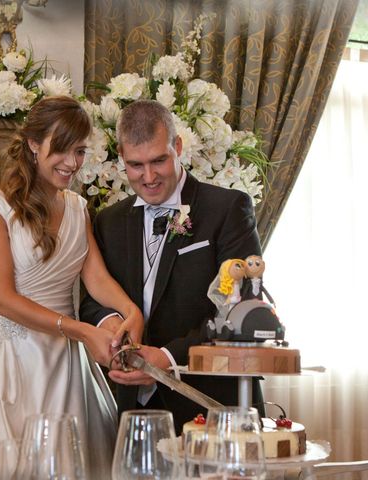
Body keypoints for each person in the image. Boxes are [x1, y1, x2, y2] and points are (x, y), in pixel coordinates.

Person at [0, 96, 143, 478]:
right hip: (11, 363)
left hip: (69, 368)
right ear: (33, 144)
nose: (72, 163)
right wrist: (82, 330)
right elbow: (5, 300)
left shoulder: (78, 208)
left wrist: (132, 312)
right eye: (61, 149)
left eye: (79, 151)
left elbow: (95, 278)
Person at [79, 100, 263, 431]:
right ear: (121, 156)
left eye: (159, 160)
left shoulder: (227, 208)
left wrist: (166, 356)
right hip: (131, 410)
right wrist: (110, 324)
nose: (148, 177)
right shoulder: (108, 221)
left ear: (177, 147)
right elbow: (92, 298)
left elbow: (239, 307)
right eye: (135, 165)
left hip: (209, 406)